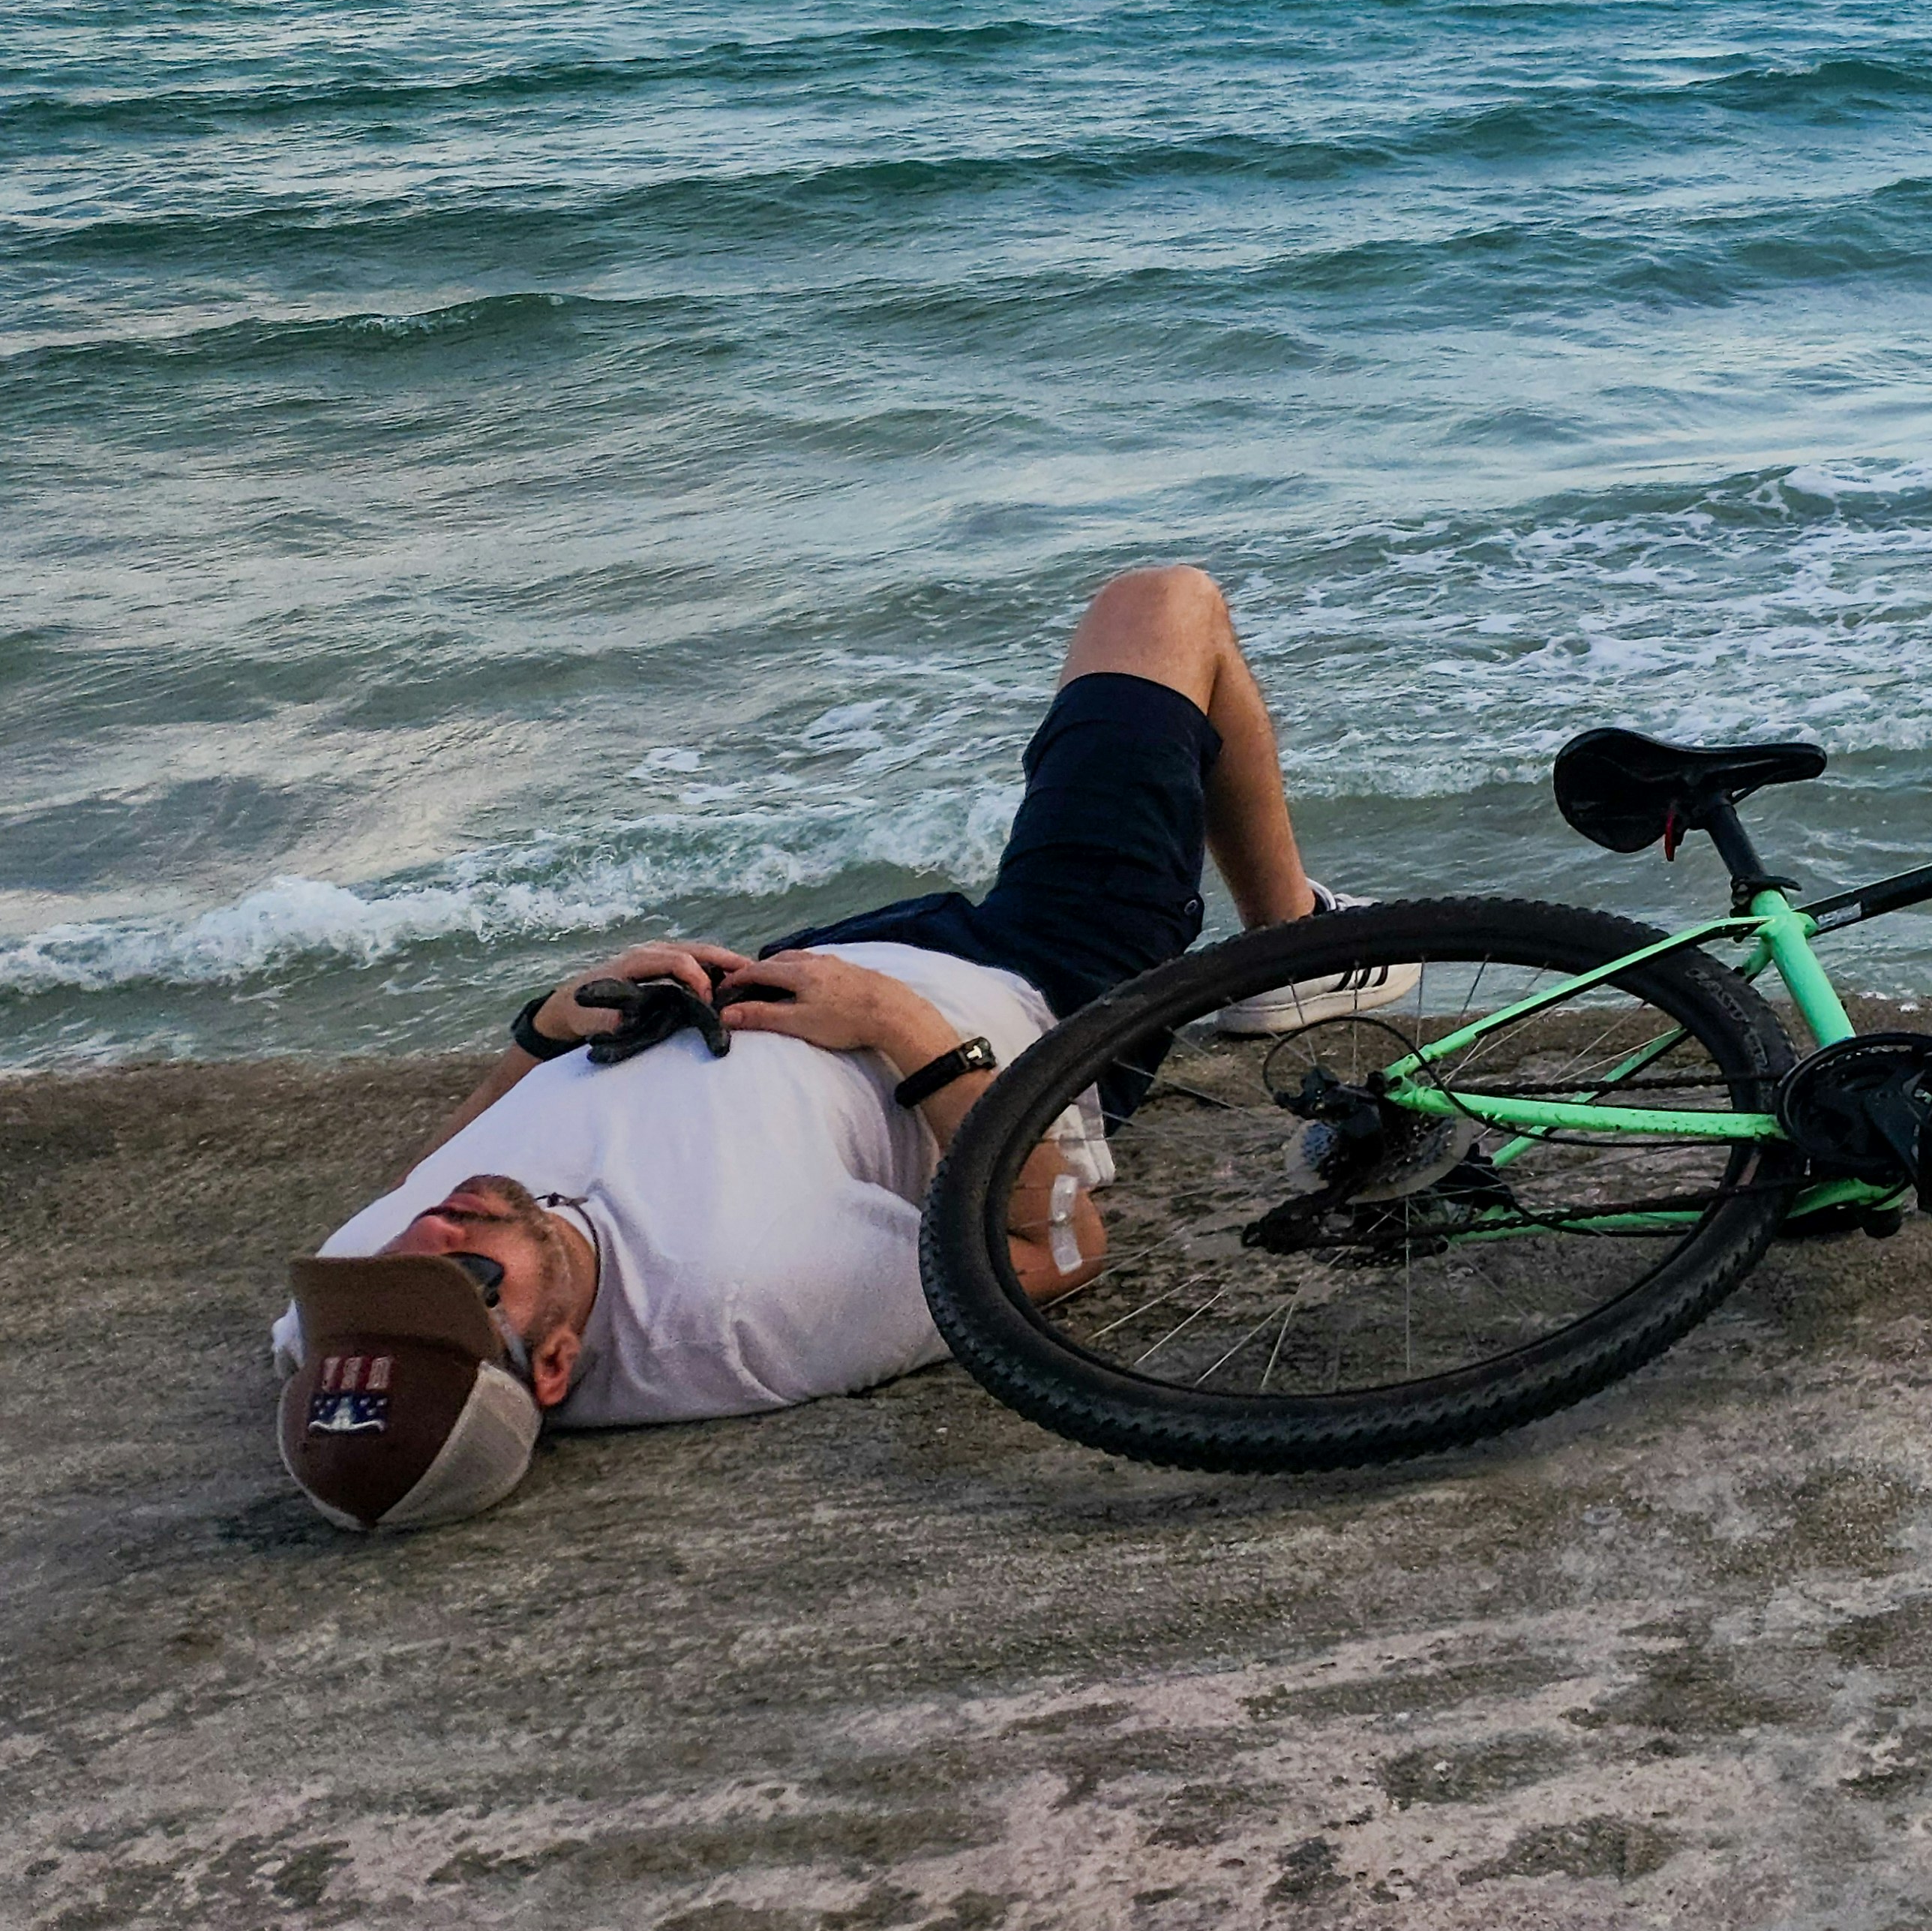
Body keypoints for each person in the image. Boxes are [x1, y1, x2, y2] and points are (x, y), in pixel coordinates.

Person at [274, 563, 1400, 1534]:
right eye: (464, 1276)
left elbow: (425, 1181)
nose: (431, 1230)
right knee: (1162, 608)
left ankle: (1287, 929)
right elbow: (1057, 1246)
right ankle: (1288, 948)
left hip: (790, 975)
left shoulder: (349, 1320)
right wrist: (898, 1027)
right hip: (1028, 988)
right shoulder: (745, 1311)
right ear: (557, 1367)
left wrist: (542, 1032)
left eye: (387, 1271)